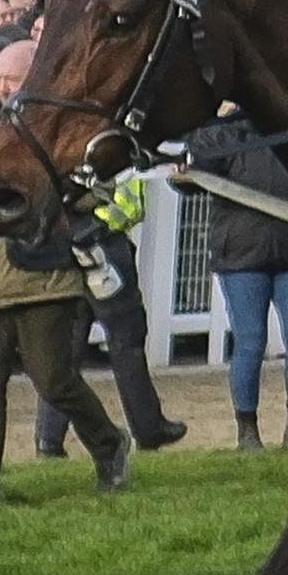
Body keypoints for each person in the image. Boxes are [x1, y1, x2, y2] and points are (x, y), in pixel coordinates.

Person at [0, 170, 131, 504]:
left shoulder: (59, 136)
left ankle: (109, 444)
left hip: (46, 285)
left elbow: (98, 190)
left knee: (53, 381)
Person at [182, 115, 288, 450]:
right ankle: (247, 429)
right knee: (250, 342)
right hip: (241, 255)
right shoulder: (225, 131)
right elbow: (200, 165)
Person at [33, 167, 184, 458]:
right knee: (126, 342)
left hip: (64, 249)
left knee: (65, 351)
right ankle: (149, 429)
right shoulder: (110, 146)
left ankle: (48, 440)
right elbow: (130, 205)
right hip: (106, 247)